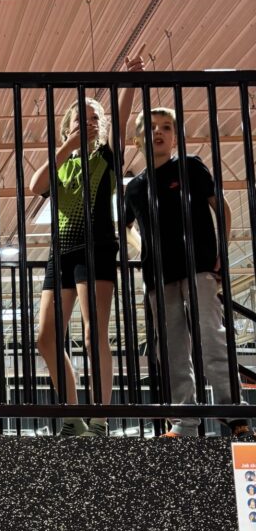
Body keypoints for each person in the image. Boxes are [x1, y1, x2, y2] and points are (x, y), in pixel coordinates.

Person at [30, 55, 145, 438]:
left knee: (94, 333)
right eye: (81, 119)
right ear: (68, 127)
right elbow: (35, 186)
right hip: (61, 252)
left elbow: (121, 119)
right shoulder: (62, 163)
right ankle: (73, 415)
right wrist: (67, 146)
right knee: (46, 337)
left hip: (96, 249)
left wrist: (130, 81)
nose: (89, 123)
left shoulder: (106, 158)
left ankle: (99, 418)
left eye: (94, 118)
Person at [124, 106, 251, 440]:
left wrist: (222, 251)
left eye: (166, 127)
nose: (159, 132)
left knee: (212, 336)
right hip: (158, 276)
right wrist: (145, 248)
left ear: (175, 138)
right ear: (137, 139)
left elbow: (220, 207)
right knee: (172, 349)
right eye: (151, 127)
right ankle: (184, 421)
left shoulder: (190, 166)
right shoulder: (134, 187)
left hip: (199, 267)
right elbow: (124, 226)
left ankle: (233, 411)